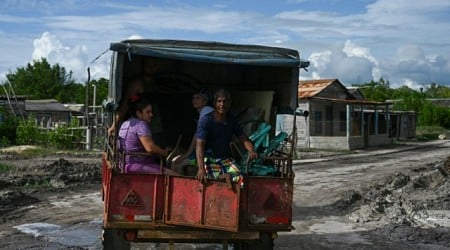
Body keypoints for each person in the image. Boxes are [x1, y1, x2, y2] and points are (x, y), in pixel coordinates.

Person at [195, 89, 257, 186]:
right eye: (219, 101)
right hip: (209, 159)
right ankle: (222, 177)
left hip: (225, 159)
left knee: (240, 177)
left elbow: (243, 138)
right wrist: (201, 168)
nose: (222, 104)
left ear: (230, 103)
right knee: (212, 179)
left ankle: (225, 177)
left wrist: (251, 150)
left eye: (225, 101)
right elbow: (199, 145)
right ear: (214, 103)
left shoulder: (232, 120)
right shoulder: (206, 120)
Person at [117, 94, 178, 174]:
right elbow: (150, 148)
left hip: (124, 164)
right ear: (138, 113)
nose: (151, 115)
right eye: (148, 112)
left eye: (151, 112)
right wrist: (164, 153)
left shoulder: (125, 123)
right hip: (138, 165)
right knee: (175, 174)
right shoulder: (141, 125)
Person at [171, 88, 214, 172]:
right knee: (190, 167)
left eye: (198, 98)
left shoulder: (206, 110)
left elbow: (197, 136)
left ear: (205, 101)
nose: (194, 100)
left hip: (210, 156)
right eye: (193, 98)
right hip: (206, 153)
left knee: (176, 163)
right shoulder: (205, 112)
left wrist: (186, 155)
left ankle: (180, 185)